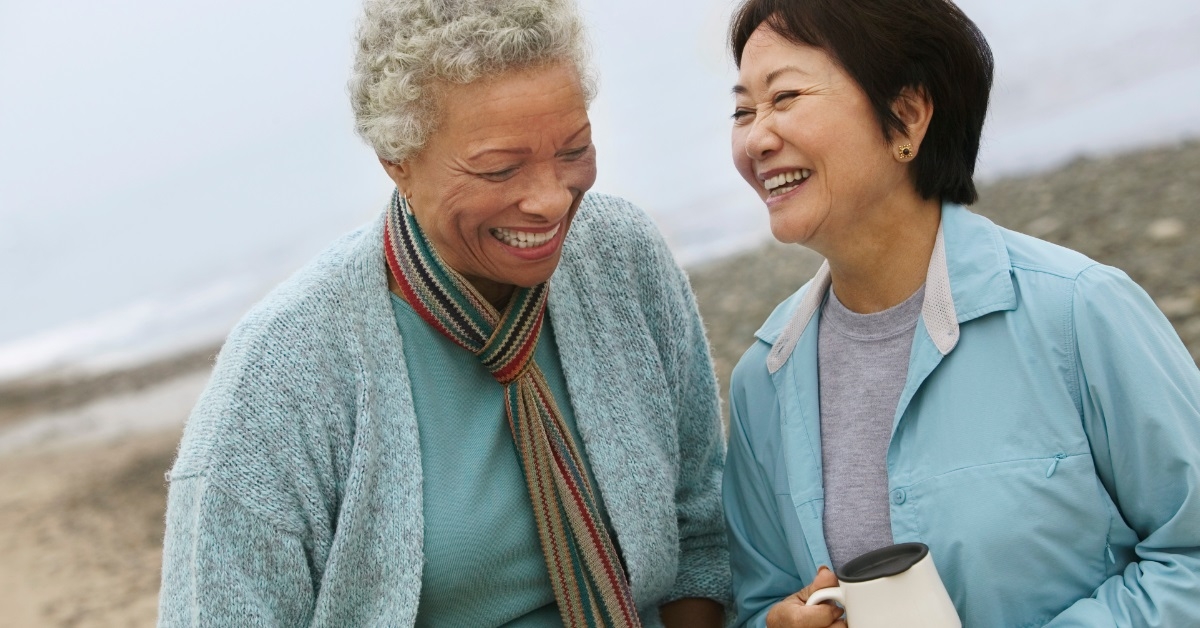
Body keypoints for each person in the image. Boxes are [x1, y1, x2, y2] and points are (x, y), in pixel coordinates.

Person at [156, 0, 729, 625]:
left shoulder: (619, 254)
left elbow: (701, 528)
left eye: (574, 151)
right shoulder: (281, 372)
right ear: (396, 161)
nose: (549, 199)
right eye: (499, 168)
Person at [719, 0, 1200, 626]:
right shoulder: (765, 378)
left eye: (784, 98)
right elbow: (760, 600)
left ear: (908, 117)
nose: (756, 136)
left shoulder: (1080, 310)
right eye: (742, 110)